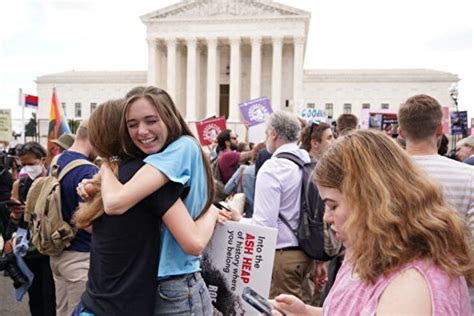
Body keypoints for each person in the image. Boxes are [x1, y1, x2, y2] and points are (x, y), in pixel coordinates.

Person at [272, 130, 473, 315]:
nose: (326, 217)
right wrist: (306, 312)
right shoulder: (367, 252)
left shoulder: (410, 288)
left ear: (370, 203)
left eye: (333, 206)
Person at [73, 98, 218, 316]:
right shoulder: (149, 181)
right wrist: (213, 211)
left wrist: (104, 167)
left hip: (92, 304)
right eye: (133, 124)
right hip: (141, 299)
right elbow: (193, 242)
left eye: (150, 120)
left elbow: (92, 227)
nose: (142, 131)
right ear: (124, 131)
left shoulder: (110, 178)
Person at [228, 111, 314, 301]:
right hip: (306, 252)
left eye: (266, 132)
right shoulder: (306, 162)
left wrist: (238, 219)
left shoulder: (273, 167)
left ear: (273, 133)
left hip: (282, 255)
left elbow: (264, 225)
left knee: (283, 309)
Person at [49, 121, 98, 316]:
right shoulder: (87, 171)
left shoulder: (57, 161)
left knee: (62, 310)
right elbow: (87, 224)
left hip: (58, 250)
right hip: (80, 256)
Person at [8, 142, 56, 316]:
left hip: (50, 246)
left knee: (51, 294)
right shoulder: (19, 184)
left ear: (42, 160)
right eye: (23, 165)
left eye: (31, 164)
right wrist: (16, 213)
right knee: (35, 294)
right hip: (29, 248)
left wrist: (37, 209)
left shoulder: (52, 182)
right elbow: (13, 223)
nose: (27, 169)